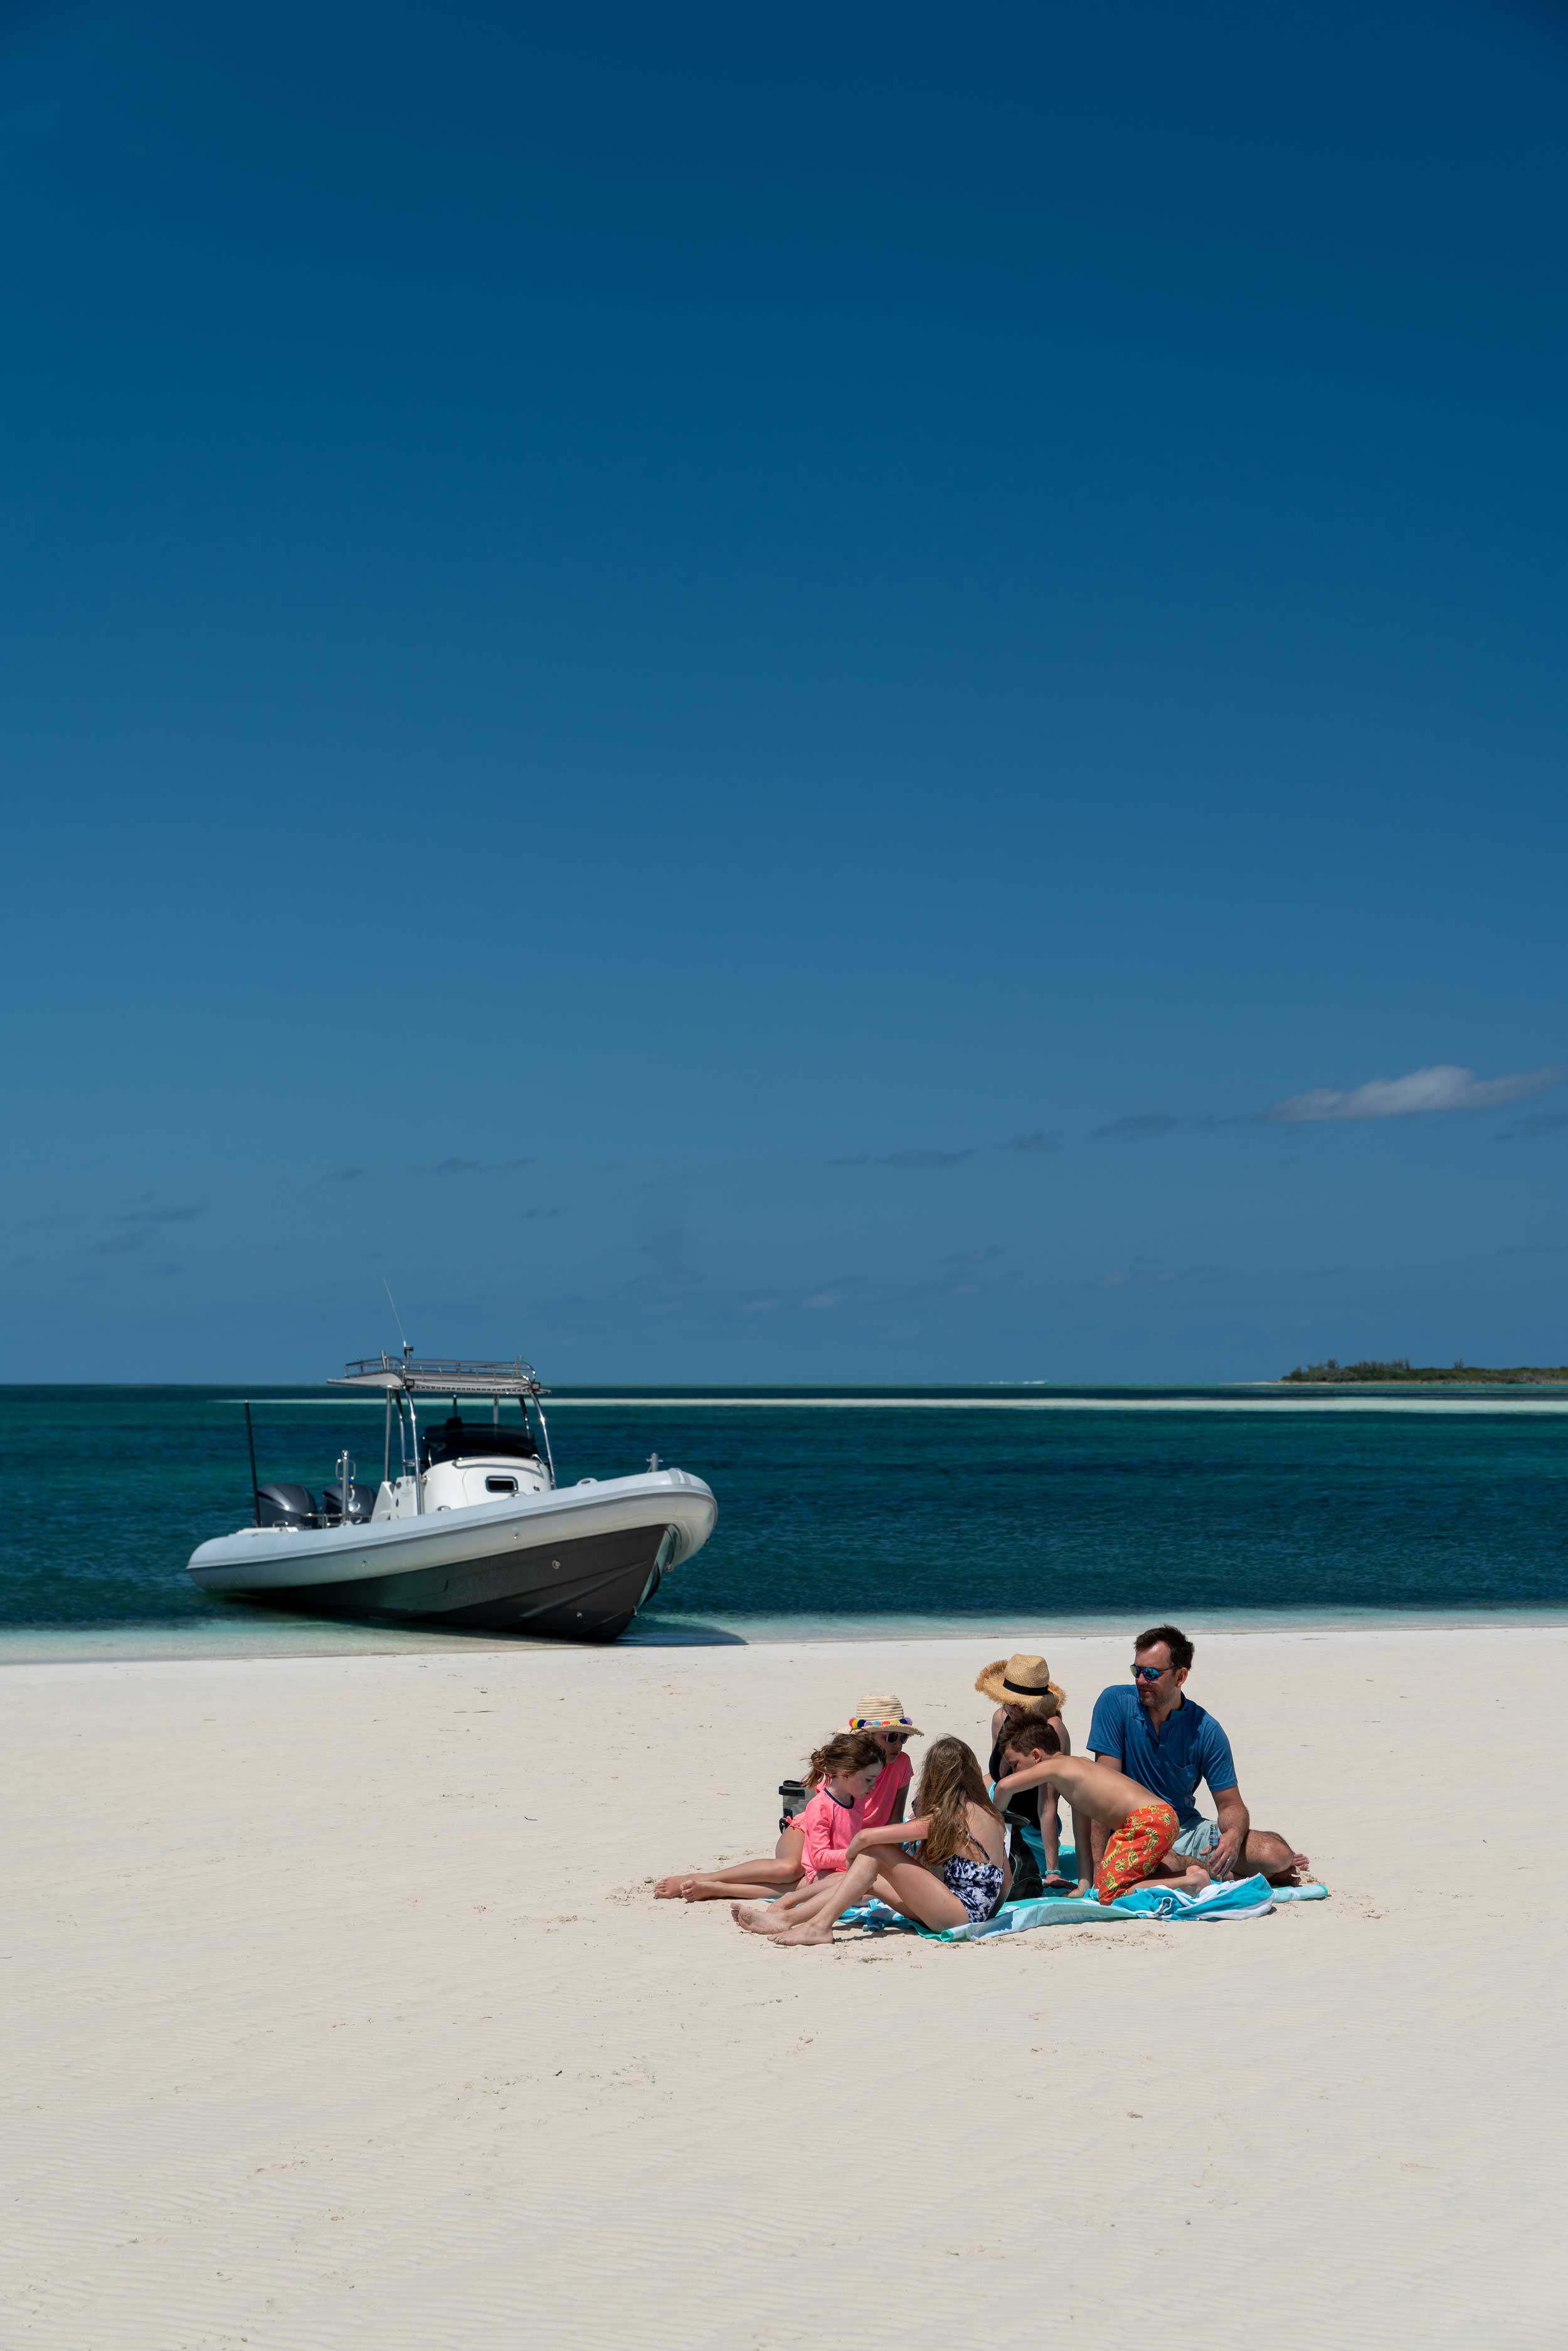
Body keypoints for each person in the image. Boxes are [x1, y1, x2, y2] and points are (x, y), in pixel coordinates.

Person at [1085, 1624, 1308, 1886]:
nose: (1141, 1680)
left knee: (1276, 1853)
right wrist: (1099, 1866)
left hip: (1188, 1828)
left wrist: (1233, 1837)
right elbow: (1102, 1787)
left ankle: (1217, 1871)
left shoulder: (1206, 1730)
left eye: (1152, 1673)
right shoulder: (1114, 1702)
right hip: (1133, 1832)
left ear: (1180, 1677)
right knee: (1165, 1862)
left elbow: (1230, 1804)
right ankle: (1225, 1874)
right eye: (1137, 1670)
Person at [733, 1736, 1009, 1945]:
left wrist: (853, 1856)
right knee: (871, 1878)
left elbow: (868, 1837)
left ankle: (817, 1926)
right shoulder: (989, 1814)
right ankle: (787, 1917)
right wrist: (988, 1916)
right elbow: (1005, 1877)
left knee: (875, 1852)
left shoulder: (946, 1818)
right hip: (964, 1910)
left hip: (956, 1913)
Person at [653, 1698, 916, 1903]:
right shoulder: (842, 1778)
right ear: (865, 1739)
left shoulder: (902, 1764)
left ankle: (719, 1889)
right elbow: (826, 1820)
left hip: (855, 1844)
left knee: (826, 1885)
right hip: (813, 1831)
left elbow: (894, 1820)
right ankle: (702, 1878)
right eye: (891, 1737)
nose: (898, 1744)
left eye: (902, 1737)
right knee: (789, 1869)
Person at [993, 1716, 1212, 1904]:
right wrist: (1083, 1887)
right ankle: (1186, 1875)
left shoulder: (1057, 1767)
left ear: (1036, 1755)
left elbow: (1003, 1787)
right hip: (1160, 1817)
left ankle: (1189, 1882)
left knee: (1109, 1893)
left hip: (1146, 1821)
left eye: (1015, 1764)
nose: (1014, 1772)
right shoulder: (1074, 1780)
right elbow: (1083, 1843)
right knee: (1102, 1886)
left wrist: (995, 1819)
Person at [975, 1652, 1082, 1894]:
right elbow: (994, 1776)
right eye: (1007, 1701)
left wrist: (1053, 1871)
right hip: (996, 1811)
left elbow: (1047, 1805)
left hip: (1031, 1830)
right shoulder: (1000, 1718)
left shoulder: (1052, 1730)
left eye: (1018, 1704)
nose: (1011, 1708)